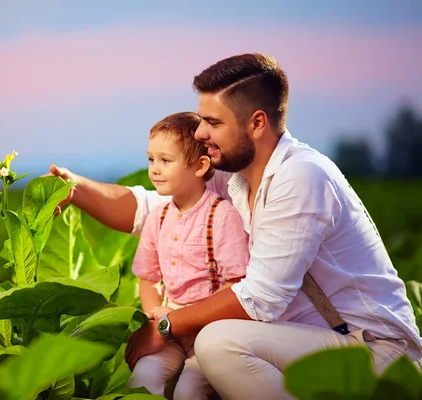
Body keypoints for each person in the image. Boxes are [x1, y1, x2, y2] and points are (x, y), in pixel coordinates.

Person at [48, 53, 422, 399]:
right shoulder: (236, 175)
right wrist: (74, 188)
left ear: (256, 123)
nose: (199, 134)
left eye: (212, 123)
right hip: (312, 339)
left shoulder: (301, 177)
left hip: (373, 350)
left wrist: (165, 326)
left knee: (217, 343)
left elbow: (259, 298)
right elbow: (154, 207)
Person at [126, 111, 249, 399]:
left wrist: (180, 319)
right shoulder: (158, 217)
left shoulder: (221, 215)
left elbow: (238, 284)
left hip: (210, 332)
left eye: (166, 160)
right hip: (168, 331)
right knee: (142, 380)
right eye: (151, 159)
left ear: (200, 165)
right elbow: (148, 278)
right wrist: (155, 316)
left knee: (188, 392)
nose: (154, 169)